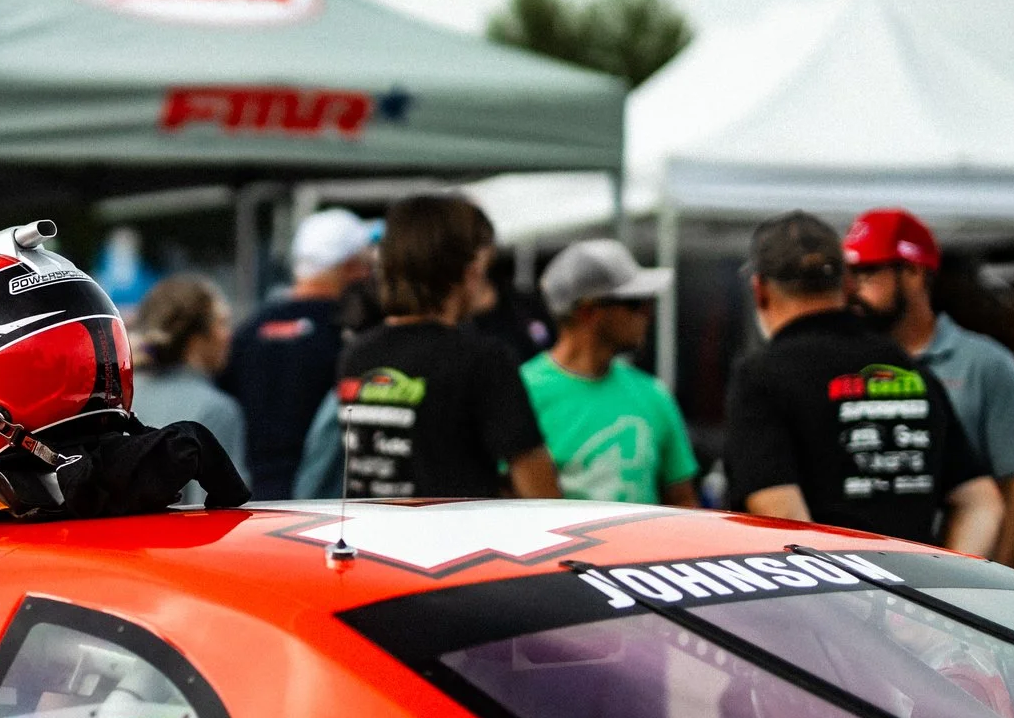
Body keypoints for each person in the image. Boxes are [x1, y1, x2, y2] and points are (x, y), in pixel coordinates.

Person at [722, 210, 1001, 552]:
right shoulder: (905, 366)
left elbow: (778, 510)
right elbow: (981, 502)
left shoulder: (760, 377)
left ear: (760, 290)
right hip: (910, 594)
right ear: (848, 283)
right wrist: (950, 587)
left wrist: (833, 598)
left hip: (821, 598)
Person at [842, 208, 1014, 570]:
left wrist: (1002, 593)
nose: (854, 289)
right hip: (863, 583)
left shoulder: (984, 364)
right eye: (851, 275)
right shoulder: (845, 367)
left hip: (953, 586)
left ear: (913, 273)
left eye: (868, 272)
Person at [334, 193, 558, 500]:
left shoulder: (356, 356)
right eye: (480, 262)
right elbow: (540, 493)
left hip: (370, 539)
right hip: (458, 543)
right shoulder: (481, 359)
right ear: (466, 271)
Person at [522, 240, 699, 505]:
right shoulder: (520, 391)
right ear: (589, 311)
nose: (647, 313)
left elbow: (684, 507)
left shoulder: (653, 395)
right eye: (635, 303)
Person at [219, 208, 374, 499]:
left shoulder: (250, 330)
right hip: (323, 499)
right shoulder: (351, 334)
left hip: (248, 495)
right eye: (365, 265)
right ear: (350, 267)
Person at [129, 275, 247, 504]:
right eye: (221, 323)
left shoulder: (120, 398)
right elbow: (224, 512)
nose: (228, 334)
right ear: (195, 338)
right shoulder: (216, 409)